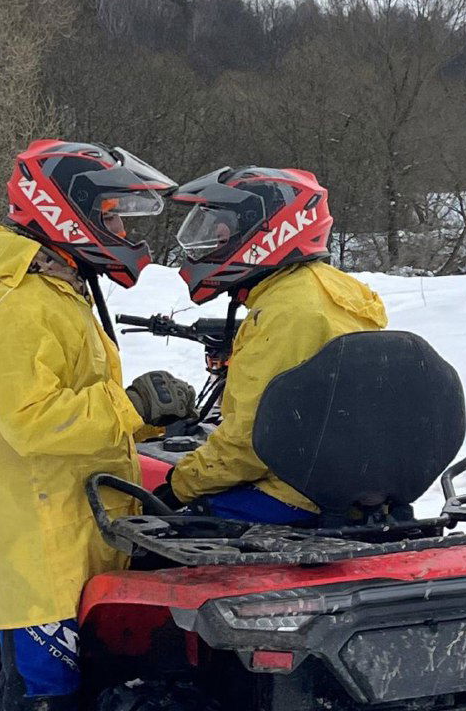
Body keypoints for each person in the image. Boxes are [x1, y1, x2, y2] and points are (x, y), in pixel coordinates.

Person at [0, 140, 196, 711]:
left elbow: (79, 408)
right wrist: (131, 405)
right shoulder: (23, 308)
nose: (119, 228)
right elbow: (32, 422)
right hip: (40, 547)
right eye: (109, 214)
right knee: (52, 694)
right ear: (67, 213)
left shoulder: (61, 293)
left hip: (73, 523)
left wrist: (152, 423)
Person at [153, 166, 388, 524]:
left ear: (268, 232)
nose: (216, 236)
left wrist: (179, 486)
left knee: (149, 529)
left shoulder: (287, 313)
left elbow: (251, 442)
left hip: (295, 496)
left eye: (224, 227)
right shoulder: (337, 292)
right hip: (348, 485)